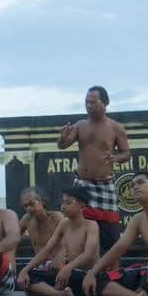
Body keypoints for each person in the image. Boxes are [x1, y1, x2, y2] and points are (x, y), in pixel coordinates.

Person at [57, 86, 131, 254]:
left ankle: (111, 270)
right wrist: (61, 137)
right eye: (86, 102)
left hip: (104, 185)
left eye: (93, 102)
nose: (89, 106)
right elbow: (63, 145)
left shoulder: (116, 127)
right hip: (82, 185)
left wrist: (115, 158)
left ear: (105, 104)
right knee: (78, 226)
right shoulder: (80, 125)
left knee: (110, 233)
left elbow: (126, 153)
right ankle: (81, 264)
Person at [17, 186, 99, 296]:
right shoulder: (64, 225)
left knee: (73, 277)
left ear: (82, 206)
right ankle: (58, 294)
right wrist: (25, 270)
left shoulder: (91, 225)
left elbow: (88, 253)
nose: (63, 206)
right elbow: (46, 250)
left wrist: (68, 267)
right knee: (29, 277)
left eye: (68, 202)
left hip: (83, 274)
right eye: (63, 202)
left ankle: (50, 291)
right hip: (65, 272)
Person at [19, 186, 63, 257]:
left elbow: (71, 241)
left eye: (32, 203)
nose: (28, 208)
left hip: (59, 264)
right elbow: (13, 239)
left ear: (43, 202)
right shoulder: (27, 219)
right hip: (38, 265)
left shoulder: (57, 217)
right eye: (25, 206)